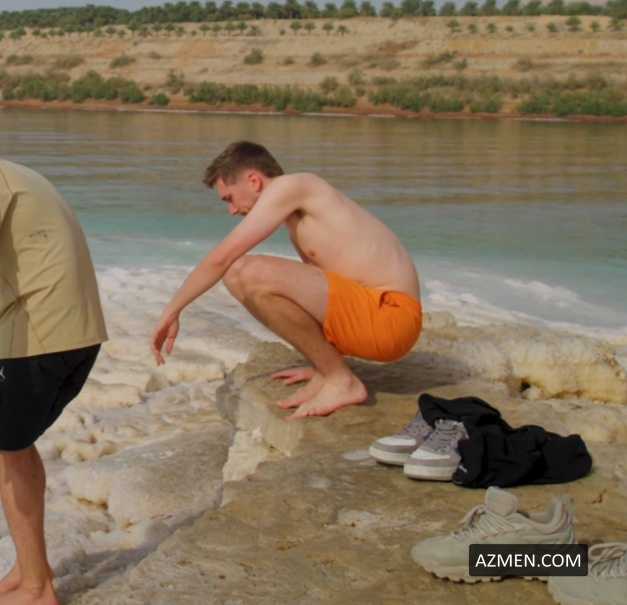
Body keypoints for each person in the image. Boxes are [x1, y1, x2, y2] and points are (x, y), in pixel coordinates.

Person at [151, 141, 421, 421]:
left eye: (229, 198)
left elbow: (221, 259)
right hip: (373, 316)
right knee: (246, 277)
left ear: (254, 181)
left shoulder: (294, 186)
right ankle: (327, 369)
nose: (231, 210)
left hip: (391, 317)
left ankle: (341, 380)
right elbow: (319, 294)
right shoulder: (298, 217)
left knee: (242, 271)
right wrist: (319, 361)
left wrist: (172, 310)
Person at [0, 160, 107, 605]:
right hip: (70, 332)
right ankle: (32, 567)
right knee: (13, 447)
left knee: (8, 452)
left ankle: (37, 590)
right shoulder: (13, 172)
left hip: (38, 337)